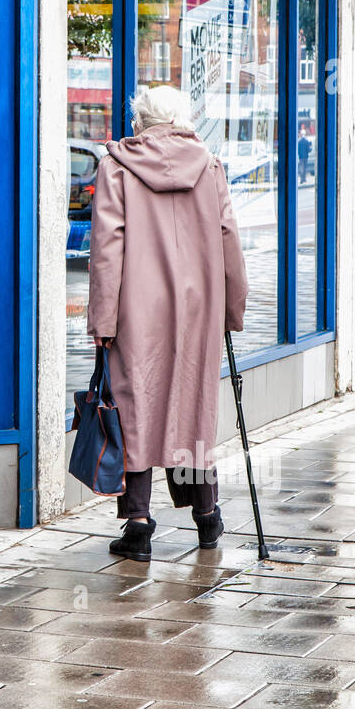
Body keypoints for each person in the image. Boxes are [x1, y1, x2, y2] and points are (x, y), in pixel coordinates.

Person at [87, 84, 248, 561]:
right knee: (191, 409)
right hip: (198, 312)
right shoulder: (210, 167)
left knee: (134, 410)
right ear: (182, 120)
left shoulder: (117, 166)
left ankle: (138, 523)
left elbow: (106, 251)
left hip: (137, 312)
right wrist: (232, 309)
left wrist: (103, 319)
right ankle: (208, 518)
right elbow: (229, 245)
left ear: (141, 121)